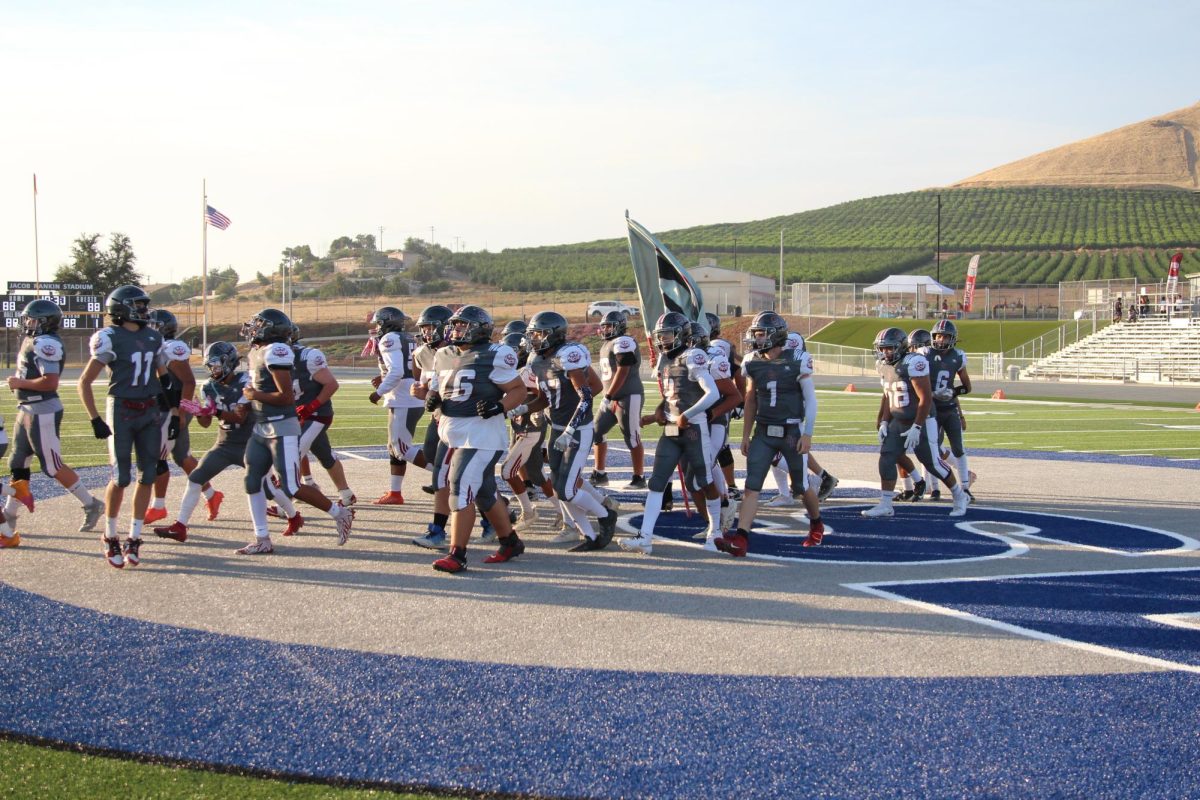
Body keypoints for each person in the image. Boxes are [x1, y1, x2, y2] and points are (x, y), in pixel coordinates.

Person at [153, 342, 303, 541]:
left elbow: (239, 417)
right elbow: (206, 423)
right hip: (224, 444)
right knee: (196, 477)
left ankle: (294, 516)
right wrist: (199, 412)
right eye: (210, 366)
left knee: (267, 489)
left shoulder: (246, 381)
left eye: (216, 365)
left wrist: (214, 411)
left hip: (249, 444)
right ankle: (180, 526)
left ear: (228, 362)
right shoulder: (208, 387)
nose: (213, 370)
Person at [235, 308, 353, 555]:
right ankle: (262, 538)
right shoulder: (257, 351)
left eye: (258, 324)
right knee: (252, 479)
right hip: (262, 424)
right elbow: (253, 386)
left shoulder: (277, 351)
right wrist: (244, 404)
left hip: (282, 425)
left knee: (291, 486)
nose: (252, 328)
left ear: (270, 329)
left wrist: (254, 395)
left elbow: (285, 397)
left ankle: (340, 513)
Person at [425, 305, 527, 574]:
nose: (456, 329)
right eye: (455, 325)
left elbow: (518, 389)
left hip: (481, 435)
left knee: (459, 484)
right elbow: (439, 388)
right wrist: (432, 399)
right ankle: (510, 542)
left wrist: (501, 406)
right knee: (482, 493)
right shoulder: (444, 354)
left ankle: (457, 554)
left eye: (462, 325)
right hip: (454, 432)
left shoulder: (494, 354)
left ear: (480, 329)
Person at [716, 311, 824, 557]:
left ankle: (816, 522)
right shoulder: (752, 361)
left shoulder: (798, 359)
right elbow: (751, 398)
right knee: (752, 486)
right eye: (756, 333)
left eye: (761, 333)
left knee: (801, 485)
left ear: (776, 335)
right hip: (763, 431)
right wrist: (745, 434)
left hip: (791, 431)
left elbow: (811, 400)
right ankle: (741, 538)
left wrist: (807, 434)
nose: (756, 338)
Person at [2, 299, 105, 546]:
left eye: (32, 319)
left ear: (45, 321)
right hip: (26, 408)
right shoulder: (33, 340)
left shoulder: (47, 343)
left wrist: (20, 383)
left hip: (42, 409)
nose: (27, 323)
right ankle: (9, 515)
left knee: (52, 465)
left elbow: (50, 382)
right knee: (17, 461)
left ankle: (91, 504)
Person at [77, 285, 166, 568]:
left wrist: (174, 412)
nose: (143, 310)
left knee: (148, 475)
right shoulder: (109, 337)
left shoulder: (153, 336)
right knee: (121, 477)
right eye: (138, 305)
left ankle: (134, 537)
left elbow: (164, 378)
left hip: (150, 410)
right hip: (122, 409)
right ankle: (110, 534)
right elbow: (85, 382)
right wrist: (95, 418)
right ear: (122, 307)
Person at [621, 314, 725, 555]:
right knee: (657, 482)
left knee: (704, 481)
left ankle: (716, 529)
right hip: (670, 428)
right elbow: (670, 395)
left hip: (694, 429)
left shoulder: (692, 356)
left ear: (681, 334)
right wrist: (657, 412)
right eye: (661, 335)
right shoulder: (663, 360)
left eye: (667, 334)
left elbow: (712, 394)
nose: (663, 339)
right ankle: (645, 537)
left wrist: (688, 414)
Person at [525, 310, 619, 551]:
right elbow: (545, 399)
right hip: (556, 428)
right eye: (533, 333)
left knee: (567, 489)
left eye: (540, 334)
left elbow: (587, 396)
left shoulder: (569, 355)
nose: (535, 338)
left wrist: (571, 428)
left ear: (554, 335)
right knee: (559, 486)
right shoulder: (536, 361)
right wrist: (520, 409)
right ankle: (588, 536)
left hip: (577, 430)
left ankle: (605, 514)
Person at [861, 327, 968, 519]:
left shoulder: (914, 362)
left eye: (889, 348)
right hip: (897, 421)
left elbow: (925, 398)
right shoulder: (883, 365)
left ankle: (959, 495)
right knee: (886, 456)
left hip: (922, 420)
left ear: (901, 347)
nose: (885, 352)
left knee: (932, 462)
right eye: (882, 348)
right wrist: (885, 421)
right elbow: (888, 395)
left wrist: (917, 427)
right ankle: (886, 504)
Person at [143, 309, 221, 525]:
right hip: (167, 408)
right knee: (182, 457)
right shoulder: (155, 346)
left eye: (150, 324)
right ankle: (212, 495)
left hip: (171, 410)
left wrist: (183, 412)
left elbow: (188, 382)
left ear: (161, 327)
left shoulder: (171, 348)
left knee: (157, 459)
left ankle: (158, 506)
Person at [407, 304, 456, 549]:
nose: (426, 333)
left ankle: (438, 531)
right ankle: (496, 518)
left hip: (458, 420)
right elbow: (422, 387)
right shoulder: (422, 353)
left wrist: (429, 393)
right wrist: (420, 392)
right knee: (442, 467)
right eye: (423, 328)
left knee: (446, 476)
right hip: (438, 417)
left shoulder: (456, 352)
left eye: (429, 327)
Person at [289, 325, 356, 506]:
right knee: (324, 454)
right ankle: (346, 493)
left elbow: (332, 384)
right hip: (299, 414)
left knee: (291, 453)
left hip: (317, 414)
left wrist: (311, 406)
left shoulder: (307, 356)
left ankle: (284, 503)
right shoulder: (272, 359)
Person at [367, 306, 420, 505]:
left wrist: (378, 392)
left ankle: (448, 474)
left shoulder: (389, 339)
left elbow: (397, 371)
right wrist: (383, 378)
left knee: (402, 449)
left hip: (404, 397)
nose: (377, 327)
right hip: (407, 395)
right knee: (393, 447)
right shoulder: (408, 338)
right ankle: (395, 492)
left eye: (379, 323)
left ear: (387, 322)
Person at [590, 310, 646, 489]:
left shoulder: (624, 341)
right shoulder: (607, 344)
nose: (606, 329)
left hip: (629, 396)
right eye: (604, 326)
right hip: (612, 398)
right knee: (596, 432)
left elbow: (624, 370)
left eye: (609, 326)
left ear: (620, 326)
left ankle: (639, 477)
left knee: (632, 437)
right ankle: (600, 474)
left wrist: (608, 395)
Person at [925, 320, 974, 502]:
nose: (941, 339)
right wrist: (931, 393)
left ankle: (965, 487)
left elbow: (967, 387)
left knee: (958, 448)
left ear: (952, 338)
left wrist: (952, 391)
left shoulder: (958, 356)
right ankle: (935, 489)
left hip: (950, 408)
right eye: (938, 335)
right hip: (932, 408)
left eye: (945, 336)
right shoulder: (924, 354)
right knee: (932, 448)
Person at [706, 312, 745, 501]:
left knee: (720, 446)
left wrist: (741, 399)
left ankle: (729, 488)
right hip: (711, 398)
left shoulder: (718, 346)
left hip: (719, 399)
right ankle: (724, 487)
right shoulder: (720, 345)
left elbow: (739, 371)